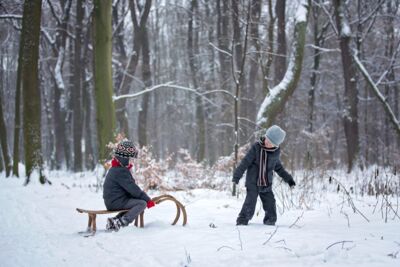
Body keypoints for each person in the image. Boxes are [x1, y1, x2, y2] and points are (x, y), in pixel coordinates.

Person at [232, 125, 295, 226]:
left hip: (266, 183)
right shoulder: (256, 148)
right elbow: (245, 162)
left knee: (270, 202)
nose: (267, 143)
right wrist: (237, 176)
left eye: (271, 143)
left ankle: (270, 221)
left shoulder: (275, 153)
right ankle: (242, 220)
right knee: (250, 202)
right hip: (253, 182)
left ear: (276, 145)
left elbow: (279, 168)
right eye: (267, 139)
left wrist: (289, 180)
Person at [103, 140, 156, 231]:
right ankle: (122, 222)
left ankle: (115, 220)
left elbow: (129, 189)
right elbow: (133, 189)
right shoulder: (120, 171)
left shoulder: (116, 169)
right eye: (130, 158)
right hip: (116, 202)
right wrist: (147, 200)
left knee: (136, 202)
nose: (131, 161)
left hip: (114, 201)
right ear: (124, 158)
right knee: (141, 203)